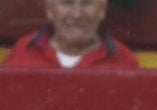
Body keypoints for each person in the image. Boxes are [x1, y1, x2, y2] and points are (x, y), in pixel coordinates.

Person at [3, 0, 139, 70]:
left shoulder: (123, 61)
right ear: (49, 10)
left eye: (86, 3)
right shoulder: (23, 52)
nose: (76, 14)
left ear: (102, 10)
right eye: (67, 3)